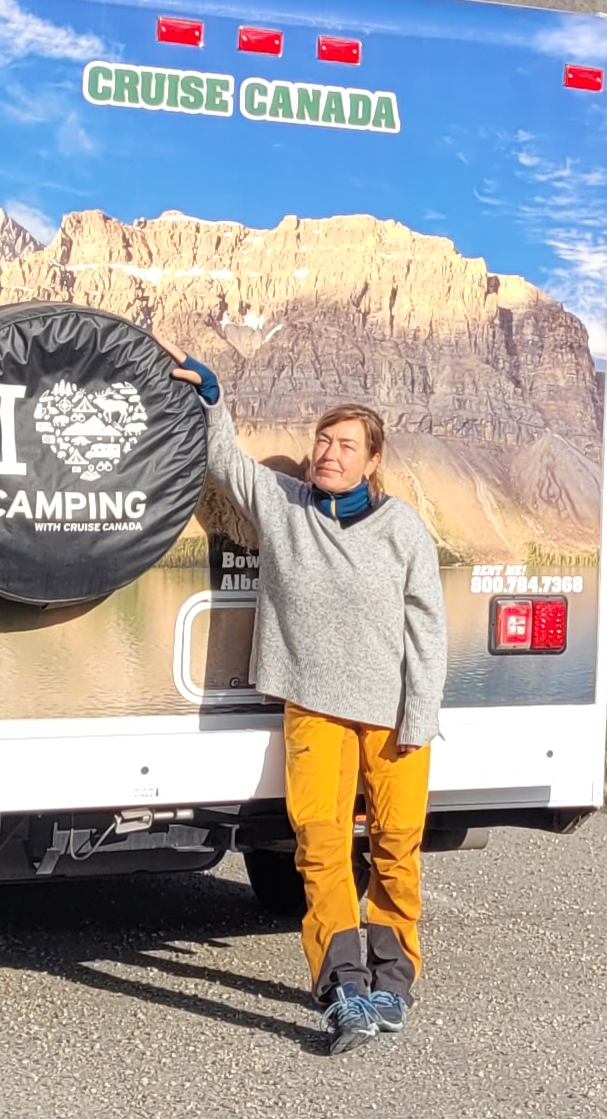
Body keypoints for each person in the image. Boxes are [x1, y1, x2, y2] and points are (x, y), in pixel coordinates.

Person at [169, 354, 447, 1057]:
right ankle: (343, 991)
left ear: (372, 461)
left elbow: (428, 631)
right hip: (313, 710)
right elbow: (224, 460)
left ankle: (394, 982)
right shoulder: (284, 506)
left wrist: (420, 717)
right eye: (323, 441)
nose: (327, 453)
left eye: (345, 445)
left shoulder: (403, 530)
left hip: (392, 715)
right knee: (321, 851)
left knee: (395, 850)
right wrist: (210, 396)